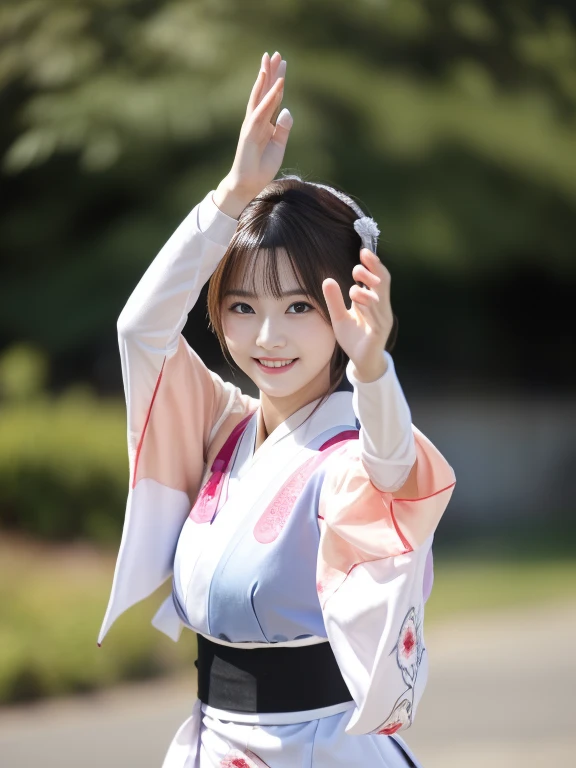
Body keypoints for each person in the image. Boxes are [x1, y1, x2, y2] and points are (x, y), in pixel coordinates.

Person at [98, 51, 456, 767]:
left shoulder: (351, 447)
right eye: (243, 306)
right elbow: (140, 331)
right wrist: (233, 193)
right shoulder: (223, 424)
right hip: (213, 737)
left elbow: (392, 471)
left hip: (319, 748)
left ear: (345, 310)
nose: (268, 335)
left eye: (299, 306)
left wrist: (373, 368)